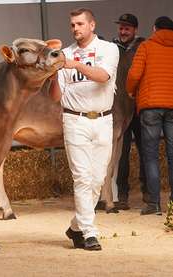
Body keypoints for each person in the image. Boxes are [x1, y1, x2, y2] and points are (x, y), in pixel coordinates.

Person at [50, 8, 119, 250]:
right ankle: (90, 233)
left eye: (80, 24)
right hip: (74, 120)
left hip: (103, 119)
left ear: (92, 25)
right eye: (72, 25)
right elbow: (56, 96)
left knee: (98, 180)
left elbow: (102, 76)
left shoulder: (109, 49)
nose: (76, 29)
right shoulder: (65, 54)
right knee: (82, 178)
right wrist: (54, 72)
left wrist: (74, 65)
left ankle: (75, 227)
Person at [126, 16, 173, 215]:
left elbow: (135, 74)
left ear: (154, 28)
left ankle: (154, 203)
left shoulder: (146, 46)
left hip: (150, 106)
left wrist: (130, 91)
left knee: (151, 156)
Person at [112, 14, 147, 210]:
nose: (123, 31)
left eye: (127, 28)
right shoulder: (113, 48)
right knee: (121, 154)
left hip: (140, 107)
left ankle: (149, 194)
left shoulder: (143, 47)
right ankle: (122, 195)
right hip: (120, 110)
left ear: (135, 30)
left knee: (146, 152)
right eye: (121, 28)